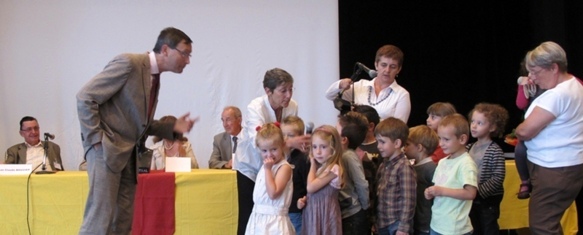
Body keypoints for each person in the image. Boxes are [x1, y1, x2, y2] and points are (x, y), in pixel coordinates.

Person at [76, 27, 197, 234]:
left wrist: (172, 126)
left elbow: (140, 124)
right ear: (166, 49)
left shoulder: (154, 77)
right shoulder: (129, 63)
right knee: (99, 220)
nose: (187, 61)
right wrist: (96, 140)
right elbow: (85, 97)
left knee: (123, 222)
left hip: (128, 157)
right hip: (105, 152)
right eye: (185, 53)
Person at [515, 41, 583, 235]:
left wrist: (520, 128)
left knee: (542, 226)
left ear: (554, 68)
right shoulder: (575, 85)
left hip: (554, 170)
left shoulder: (558, 94)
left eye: (535, 72)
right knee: (549, 223)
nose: (532, 78)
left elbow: (524, 132)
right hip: (564, 168)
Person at [235, 68, 311, 235]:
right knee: (250, 214)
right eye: (283, 90)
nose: (288, 95)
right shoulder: (255, 107)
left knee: (279, 210)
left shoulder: (292, 106)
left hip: (277, 164)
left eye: (291, 89)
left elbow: (291, 132)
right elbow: (260, 141)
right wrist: (290, 141)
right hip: (251, 167)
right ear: (268, 91)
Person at [325, 45, 411, 122]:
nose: (387, 70)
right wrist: (340, 84)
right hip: (356, 139)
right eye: (383, 65)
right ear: (376, 65)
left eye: (393, 67)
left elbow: (398, 129)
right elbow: (329, 95)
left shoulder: (402, 95)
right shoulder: (361, 86)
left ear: (399, 69)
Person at [425, 114, 477, 235]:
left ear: (462, 139)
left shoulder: (466, 163)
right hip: (437, 224)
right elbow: (439, 186)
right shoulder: (443, 162)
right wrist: (431, 192)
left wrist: (441, 191)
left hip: (455, 229)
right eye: (439, 138)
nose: (441, 143)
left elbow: (471, 193)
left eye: (446, 139)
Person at [245, 123, 295, 234]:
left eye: (273, 149)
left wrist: (268, 170)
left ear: (283, 145)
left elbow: (273, 193)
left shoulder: (284, 167)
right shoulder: (265, 166)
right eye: (264, 151)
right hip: (258, 219)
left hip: (274, 222)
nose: (269, 155)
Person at [467, 103, 508, 234]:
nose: (473, 125)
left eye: (480, 123)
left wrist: (479, 193)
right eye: (473, 121)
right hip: (473, 198)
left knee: (489, 228)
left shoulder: (494, 150)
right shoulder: (469, 147)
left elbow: (498, 177)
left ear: (492, 127)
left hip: (487, 200)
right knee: (475, 228)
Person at [298, 125, 344, 235]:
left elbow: (311, 187)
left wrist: (313, 164)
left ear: (333, 148)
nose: (317, 152)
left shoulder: (334, 169)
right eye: (314, 147)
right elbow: (312, 193)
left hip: (325, 215)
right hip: (313, 214)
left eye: (323, 147)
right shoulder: (320, 168)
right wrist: (304, 200)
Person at [374, 117, 416, 235]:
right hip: (383, 222)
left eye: (382, 142)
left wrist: (403, 228)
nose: (378, 146)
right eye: (378, 142)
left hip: (396, 224)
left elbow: (408, 200)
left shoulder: (404, 167)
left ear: (397, 143)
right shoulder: (384, 165)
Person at [336, 111, 370, 235]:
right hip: (346, 214)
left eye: (336, 132)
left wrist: (365, 207)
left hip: (353, 215)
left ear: (344, 139)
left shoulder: (349, 156)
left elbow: (361, 183)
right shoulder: (341, 155)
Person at [403, 125, 438, 235]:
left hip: (425, 224)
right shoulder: (414, 166)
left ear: (419, 148)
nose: (404, 148)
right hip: (416, 221)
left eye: (407, 144)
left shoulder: (430, 168)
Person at [280, 116, 310, 233]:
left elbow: (308, 185)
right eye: (283, 135)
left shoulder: (303, 159)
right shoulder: (281, 156)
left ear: (300, 136)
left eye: (291, 135)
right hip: (283, 210)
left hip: (296, 211)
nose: (286, 139)